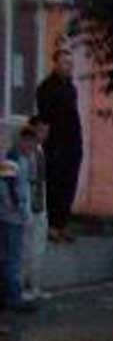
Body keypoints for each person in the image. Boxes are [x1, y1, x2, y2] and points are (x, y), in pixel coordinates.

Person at [36, 47, 82, 243]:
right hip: (56, 145)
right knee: (55, 185)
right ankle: (52, 227)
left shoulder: (71, 87)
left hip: (72, 144)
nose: (69, 66)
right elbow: (44, 118)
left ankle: (62, 225)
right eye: (65, 62)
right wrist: (43, 143)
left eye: (71, 63)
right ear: (55, 63)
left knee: (69, 185)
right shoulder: (46, 88)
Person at [0, 126, 37, 314]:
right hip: (11, 217)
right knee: (12, 258)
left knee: (9, 257)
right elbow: (8, 187)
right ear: (23, 140)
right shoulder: (13, 157)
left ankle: (8, 296)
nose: (32, 146)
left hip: (13, 215)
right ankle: (13, 298)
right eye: (30, 142)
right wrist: (20, 210)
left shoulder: (23, 158)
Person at [13, 121, 49, 301]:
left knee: (38, 248)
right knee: (24, 249)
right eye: (41, 131)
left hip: (39, 205)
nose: (45, 134)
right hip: (27, 207)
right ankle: (22, 287)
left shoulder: (40, 151)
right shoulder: (22, 154)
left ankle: (35, 286)